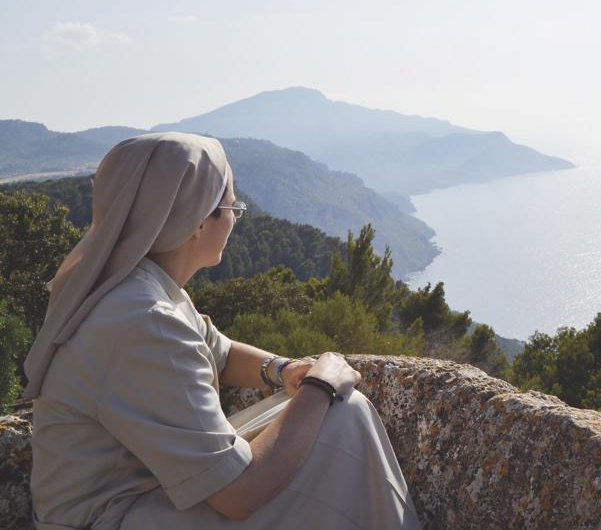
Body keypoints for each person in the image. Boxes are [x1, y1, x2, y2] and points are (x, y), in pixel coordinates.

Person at [23, 132, 421, 529]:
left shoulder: (136, 286)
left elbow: (220, 350)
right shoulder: (144, 319)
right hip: (115, 516)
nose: (235, 216)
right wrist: (320, 386)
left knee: (338, 414)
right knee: (339, 410)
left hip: (142, 491)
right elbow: (238, 494)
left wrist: (282, 370)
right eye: (232, 205)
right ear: (197, 221)